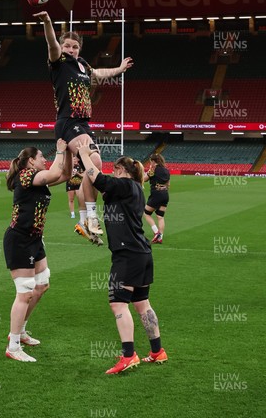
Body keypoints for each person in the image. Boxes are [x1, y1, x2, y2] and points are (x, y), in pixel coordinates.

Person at [34, 10, 133, 245]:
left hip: (82, 124)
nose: (70, 50)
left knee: (67, 174)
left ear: (79, 49)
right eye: (67, 45)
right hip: (68, 122)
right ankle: (91, 217)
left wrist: (119, 70)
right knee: (95, 162)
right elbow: (51, 44)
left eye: (75, 47)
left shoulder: (82, 65)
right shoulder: (58, 62)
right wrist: (48, 22)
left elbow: (98, 74)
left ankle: (81, 217)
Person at [78, 140, 168, 375]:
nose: (112, 172)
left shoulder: (125, 185)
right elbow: (96, 184)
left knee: (118, 302)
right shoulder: (134, 187)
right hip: (141, 253)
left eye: (115, 169)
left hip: (127, 254)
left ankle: (129, 355)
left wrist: (83, 153)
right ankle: (157, 351)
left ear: (123, 171)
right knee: (142, 304)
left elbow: (96, 177)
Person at [3, 139, 71, 362]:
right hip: (20, 240)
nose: (45, 159)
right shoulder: (26, 175)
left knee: (42, 285)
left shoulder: (38, 180)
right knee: (24, 293)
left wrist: (69, 153)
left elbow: (65, 174)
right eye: (42, 157)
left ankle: (20, 332)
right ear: (31, 161)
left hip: (35, 239)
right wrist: (61, 150)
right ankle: (13, 346)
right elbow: (53, 174)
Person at [143, 153, 170, 244]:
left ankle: (156, 232)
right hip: (165, 195)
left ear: (153, 161)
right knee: (160, 216)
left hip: (156, 194)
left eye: (151, 161)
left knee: (146, 213)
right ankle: (160, 237)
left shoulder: (153, 169)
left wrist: (147, 172)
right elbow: (168, 184)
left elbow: (145, 179)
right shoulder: (166, 170)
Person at [66, 155, 84, 219]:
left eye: (75, 159)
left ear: (77, 160)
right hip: (70, 184)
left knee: (80, 199)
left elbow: (83, 176)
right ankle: (72, 214)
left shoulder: (80, 166)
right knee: (71, 199)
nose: (74, 160)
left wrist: (77, 174)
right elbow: (65, 175)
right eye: (73, 159)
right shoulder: (68, 167)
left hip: (78, 184)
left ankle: (82, 212)